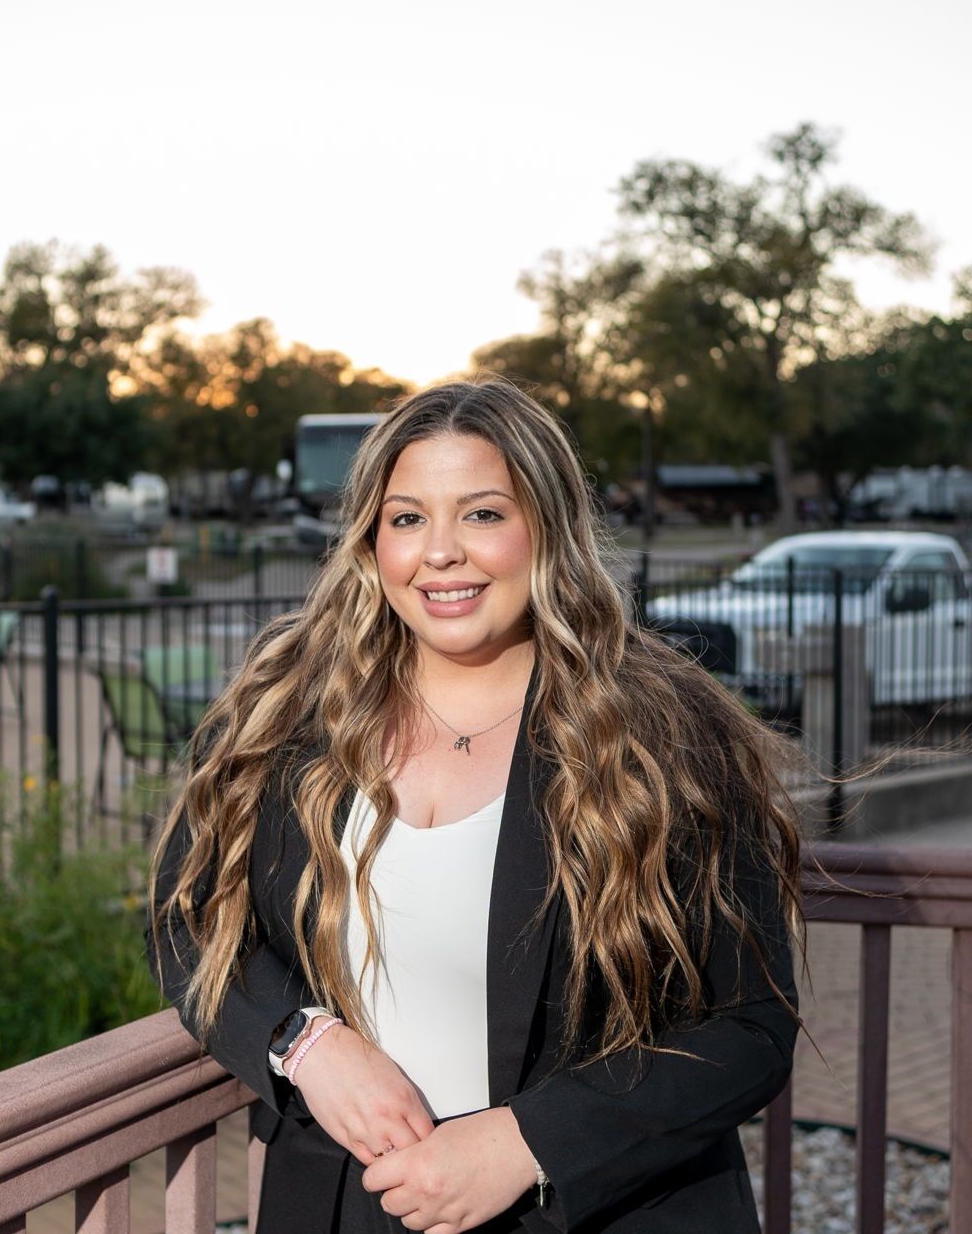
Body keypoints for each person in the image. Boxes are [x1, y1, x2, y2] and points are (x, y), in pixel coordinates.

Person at [146, 377, 802, 1234]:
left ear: (548, 530)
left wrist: (528, 1143)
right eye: (408, 517)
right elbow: (184, 920)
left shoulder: (665, 733)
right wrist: (302, 1044)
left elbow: (751, 1026)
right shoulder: (288, 712)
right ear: (371, 540)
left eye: (484, 514)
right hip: (349, 1205)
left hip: (596, 1208)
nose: (441, 551)